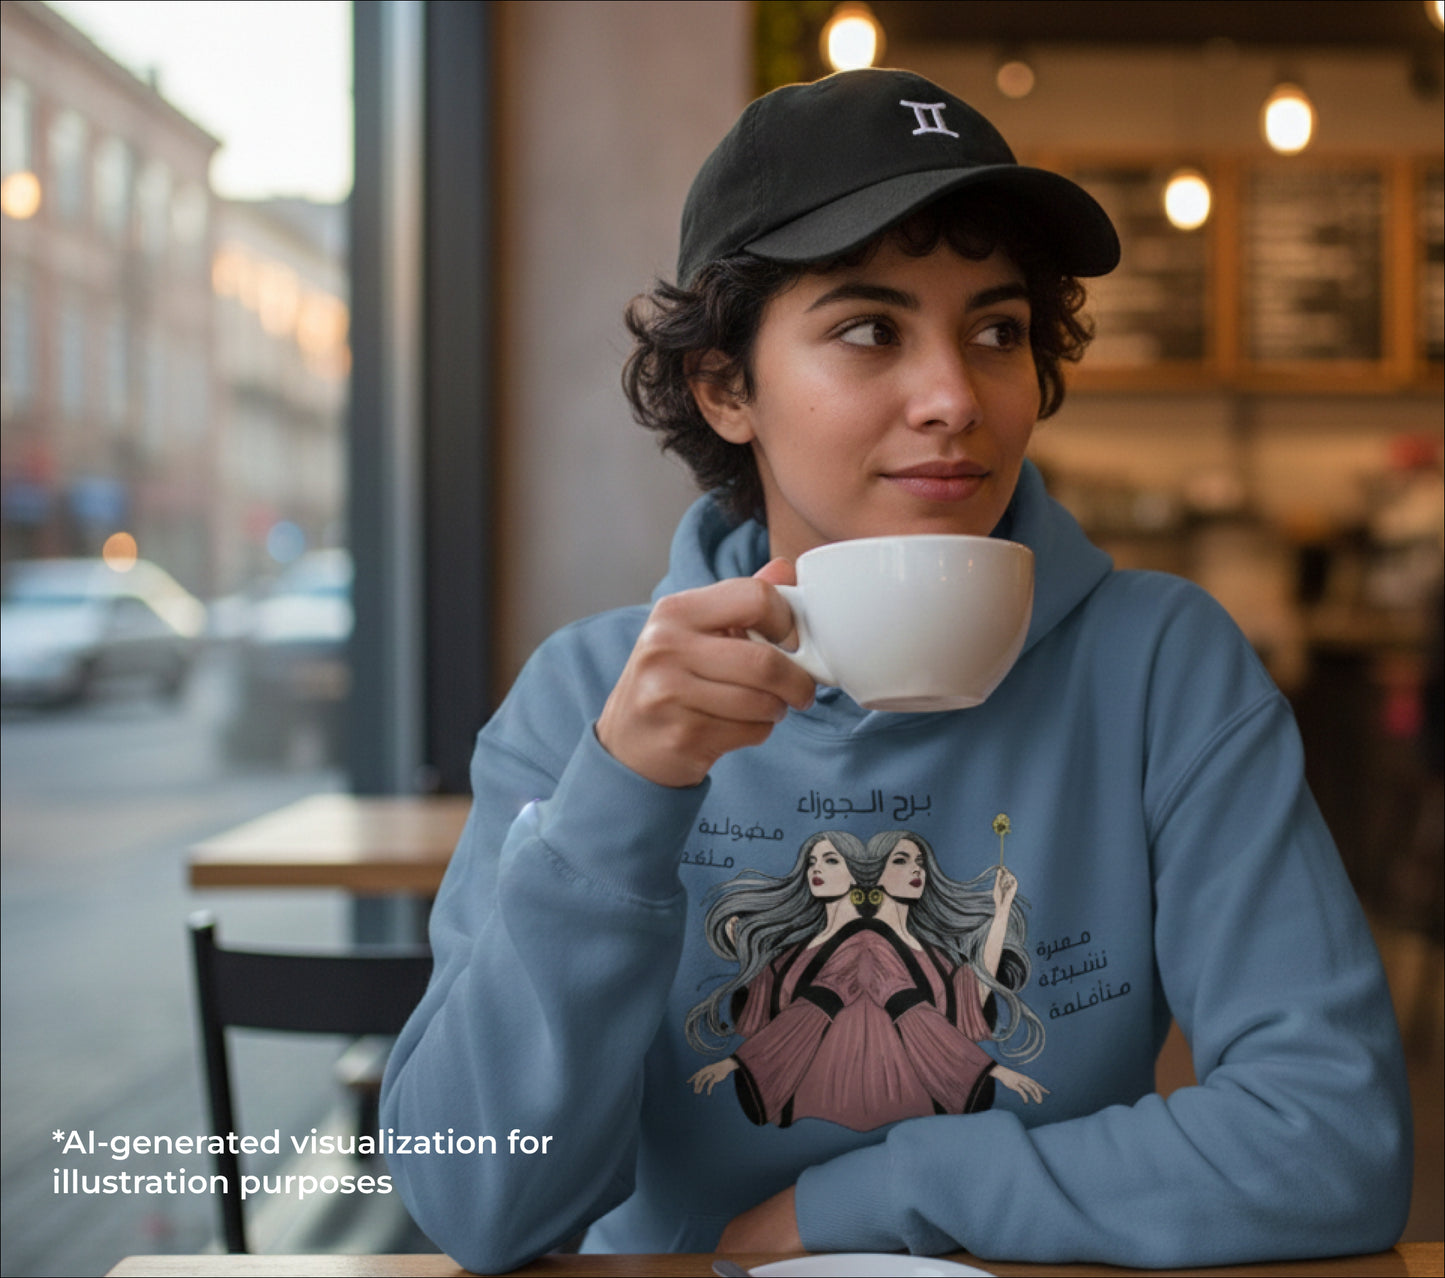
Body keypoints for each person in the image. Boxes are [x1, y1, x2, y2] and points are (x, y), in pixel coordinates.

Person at [380, 68, 1411, 1271]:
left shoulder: (1160, 668)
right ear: (726, 388)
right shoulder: (587, 701)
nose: (952, 399)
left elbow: (1332, 1140)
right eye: (869, 330)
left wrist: (861, 1202)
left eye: (995, 331)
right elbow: (476, 1208)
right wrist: (622, 796)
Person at [685, 828, 1047, 1130]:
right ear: (873, 873)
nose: (914, 869)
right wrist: (748, 957)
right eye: (901, 861)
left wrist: (1001, 913)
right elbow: (786, 1014)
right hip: (825, 1093)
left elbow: (966, 1001)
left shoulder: (924, 951)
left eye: (918, 862)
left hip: (909, 1093)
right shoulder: (849, 944)